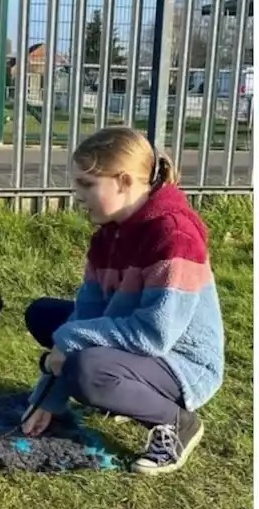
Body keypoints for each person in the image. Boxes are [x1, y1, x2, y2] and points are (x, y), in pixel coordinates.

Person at [20, 126, 225, 475]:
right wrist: (49, 399)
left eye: (87, 184)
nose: (77, 195)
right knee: (44, 316)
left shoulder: (175, 237)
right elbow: (87, 312)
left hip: (181, 363)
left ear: (124, 181)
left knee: (85, 370)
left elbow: (153, 335)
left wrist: (68, 345)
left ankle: (176, 422)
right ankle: (118, 386)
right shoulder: (108, 236)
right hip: (140, 344)